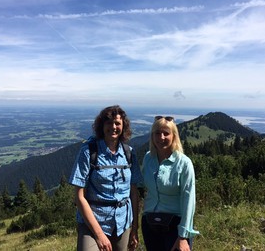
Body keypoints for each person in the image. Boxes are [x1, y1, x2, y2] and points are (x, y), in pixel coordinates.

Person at [69, 105, 143, 251]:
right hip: (93, 222)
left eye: (117, 123)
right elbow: (79, 197)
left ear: (123, 126)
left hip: (122, 222)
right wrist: (99, 235)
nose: (113, 127)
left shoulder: (129, 154)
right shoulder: (88, 152)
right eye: (109, 123)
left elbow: (134, 194)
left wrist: (135, 229)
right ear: (102, 126)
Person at [141, 115, 198, 251]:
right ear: (152, 136)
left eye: (166, 133)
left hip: (175, 225)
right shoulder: (148, 158)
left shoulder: (184, 163)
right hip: (150, 223)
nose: (161, 138)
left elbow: (189, 200)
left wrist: (183, 236)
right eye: (157, 133)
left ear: (174, 136)